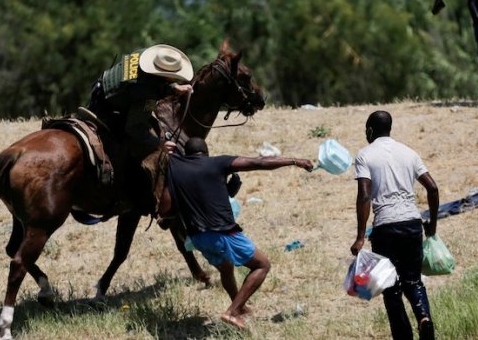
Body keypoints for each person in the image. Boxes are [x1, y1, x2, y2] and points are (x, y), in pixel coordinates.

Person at [161, 137, 313, 330]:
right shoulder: (217, 162)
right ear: (206, 153)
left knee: (226, 268)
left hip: (198, 238)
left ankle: (240, 308)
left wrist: (162, 146)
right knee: (262, 265)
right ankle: (233, 311)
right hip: (222, 233)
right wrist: (295, 161)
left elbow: (167, 206)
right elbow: (259, 162)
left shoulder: (174, 167)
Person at [349, 111, 439, 340]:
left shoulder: (364, 155)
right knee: (413, 280)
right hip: (411, 224)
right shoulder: (408, 152)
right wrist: (432, 226)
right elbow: (433, 188)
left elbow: (364, 195)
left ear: (369, 130)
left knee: (391, 289)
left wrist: (360, 236)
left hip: (386, 228)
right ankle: (424, 319)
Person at [88, 44, 194, 158]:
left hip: (104, 82)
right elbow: (134, 128)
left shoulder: (142, 53)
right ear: (164, 75)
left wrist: (173, 86)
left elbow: (149, 79)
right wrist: (159, 143)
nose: (177, 78)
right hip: (105, 104)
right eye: (174, 76)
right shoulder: (148, 97)